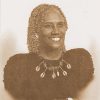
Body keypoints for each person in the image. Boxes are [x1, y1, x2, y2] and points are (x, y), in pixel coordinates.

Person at [4, 4, 94, 100]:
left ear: (66, 28)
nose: (56, 31)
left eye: (60, 25)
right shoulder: (19, 65)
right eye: (48, 26)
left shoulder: (79, 61)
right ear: (36, 31)